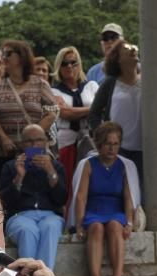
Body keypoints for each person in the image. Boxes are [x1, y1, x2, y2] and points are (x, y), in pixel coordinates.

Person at [71, 121, 140, 276]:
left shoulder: (125, 165)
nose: (112, 148)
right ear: (100, 144)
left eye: (116, 144)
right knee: (95, 228)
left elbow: (128, 196)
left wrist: (130, 222)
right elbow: (81, 196)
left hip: (115, 210)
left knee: (115, 227)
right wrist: (79, 225)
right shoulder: (88, 164)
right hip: (94, 210)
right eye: (108, 144)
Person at [0, 39, 59, 185]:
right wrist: (4, 138)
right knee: (8, 193)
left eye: (8, 53)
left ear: (22, 56)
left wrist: (31, 138)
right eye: (3, 54)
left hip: (33, 152)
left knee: (34, 189)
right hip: (3, 152)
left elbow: (52, 112)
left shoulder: (40, 84)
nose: (4, 58)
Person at [0, 124, 67, 268]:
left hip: (50, 215)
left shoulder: (56, 166)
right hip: (20, 215)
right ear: (22, 144)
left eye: (39, 140)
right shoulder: (10, 166)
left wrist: (50, 172)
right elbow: (6, 202)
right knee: (27, 230)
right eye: (29, 141)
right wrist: (19, 176)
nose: (35, 144)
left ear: (46, 143)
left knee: (50, 227)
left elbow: (61, 199)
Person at [88, 41, 142, 180]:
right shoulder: (110, 83)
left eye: (134, 48)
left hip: (145, 149)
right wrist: (103, 139)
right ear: (117, 58)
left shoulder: (148, 81)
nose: (133, 50)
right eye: (127, 49)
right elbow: (94, 113)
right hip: (119, 149)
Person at [51, 46, 99, 197]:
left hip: (90, 141)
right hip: (66, 143)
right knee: (68, 182)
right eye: (65, 63)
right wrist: (92, 109)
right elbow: (65, 113)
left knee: (92, 182)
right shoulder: (54, 91)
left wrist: (76, 112)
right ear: (59, 66)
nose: (69, 66)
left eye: (73, 62)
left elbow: (102, 110)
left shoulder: (91, 86)